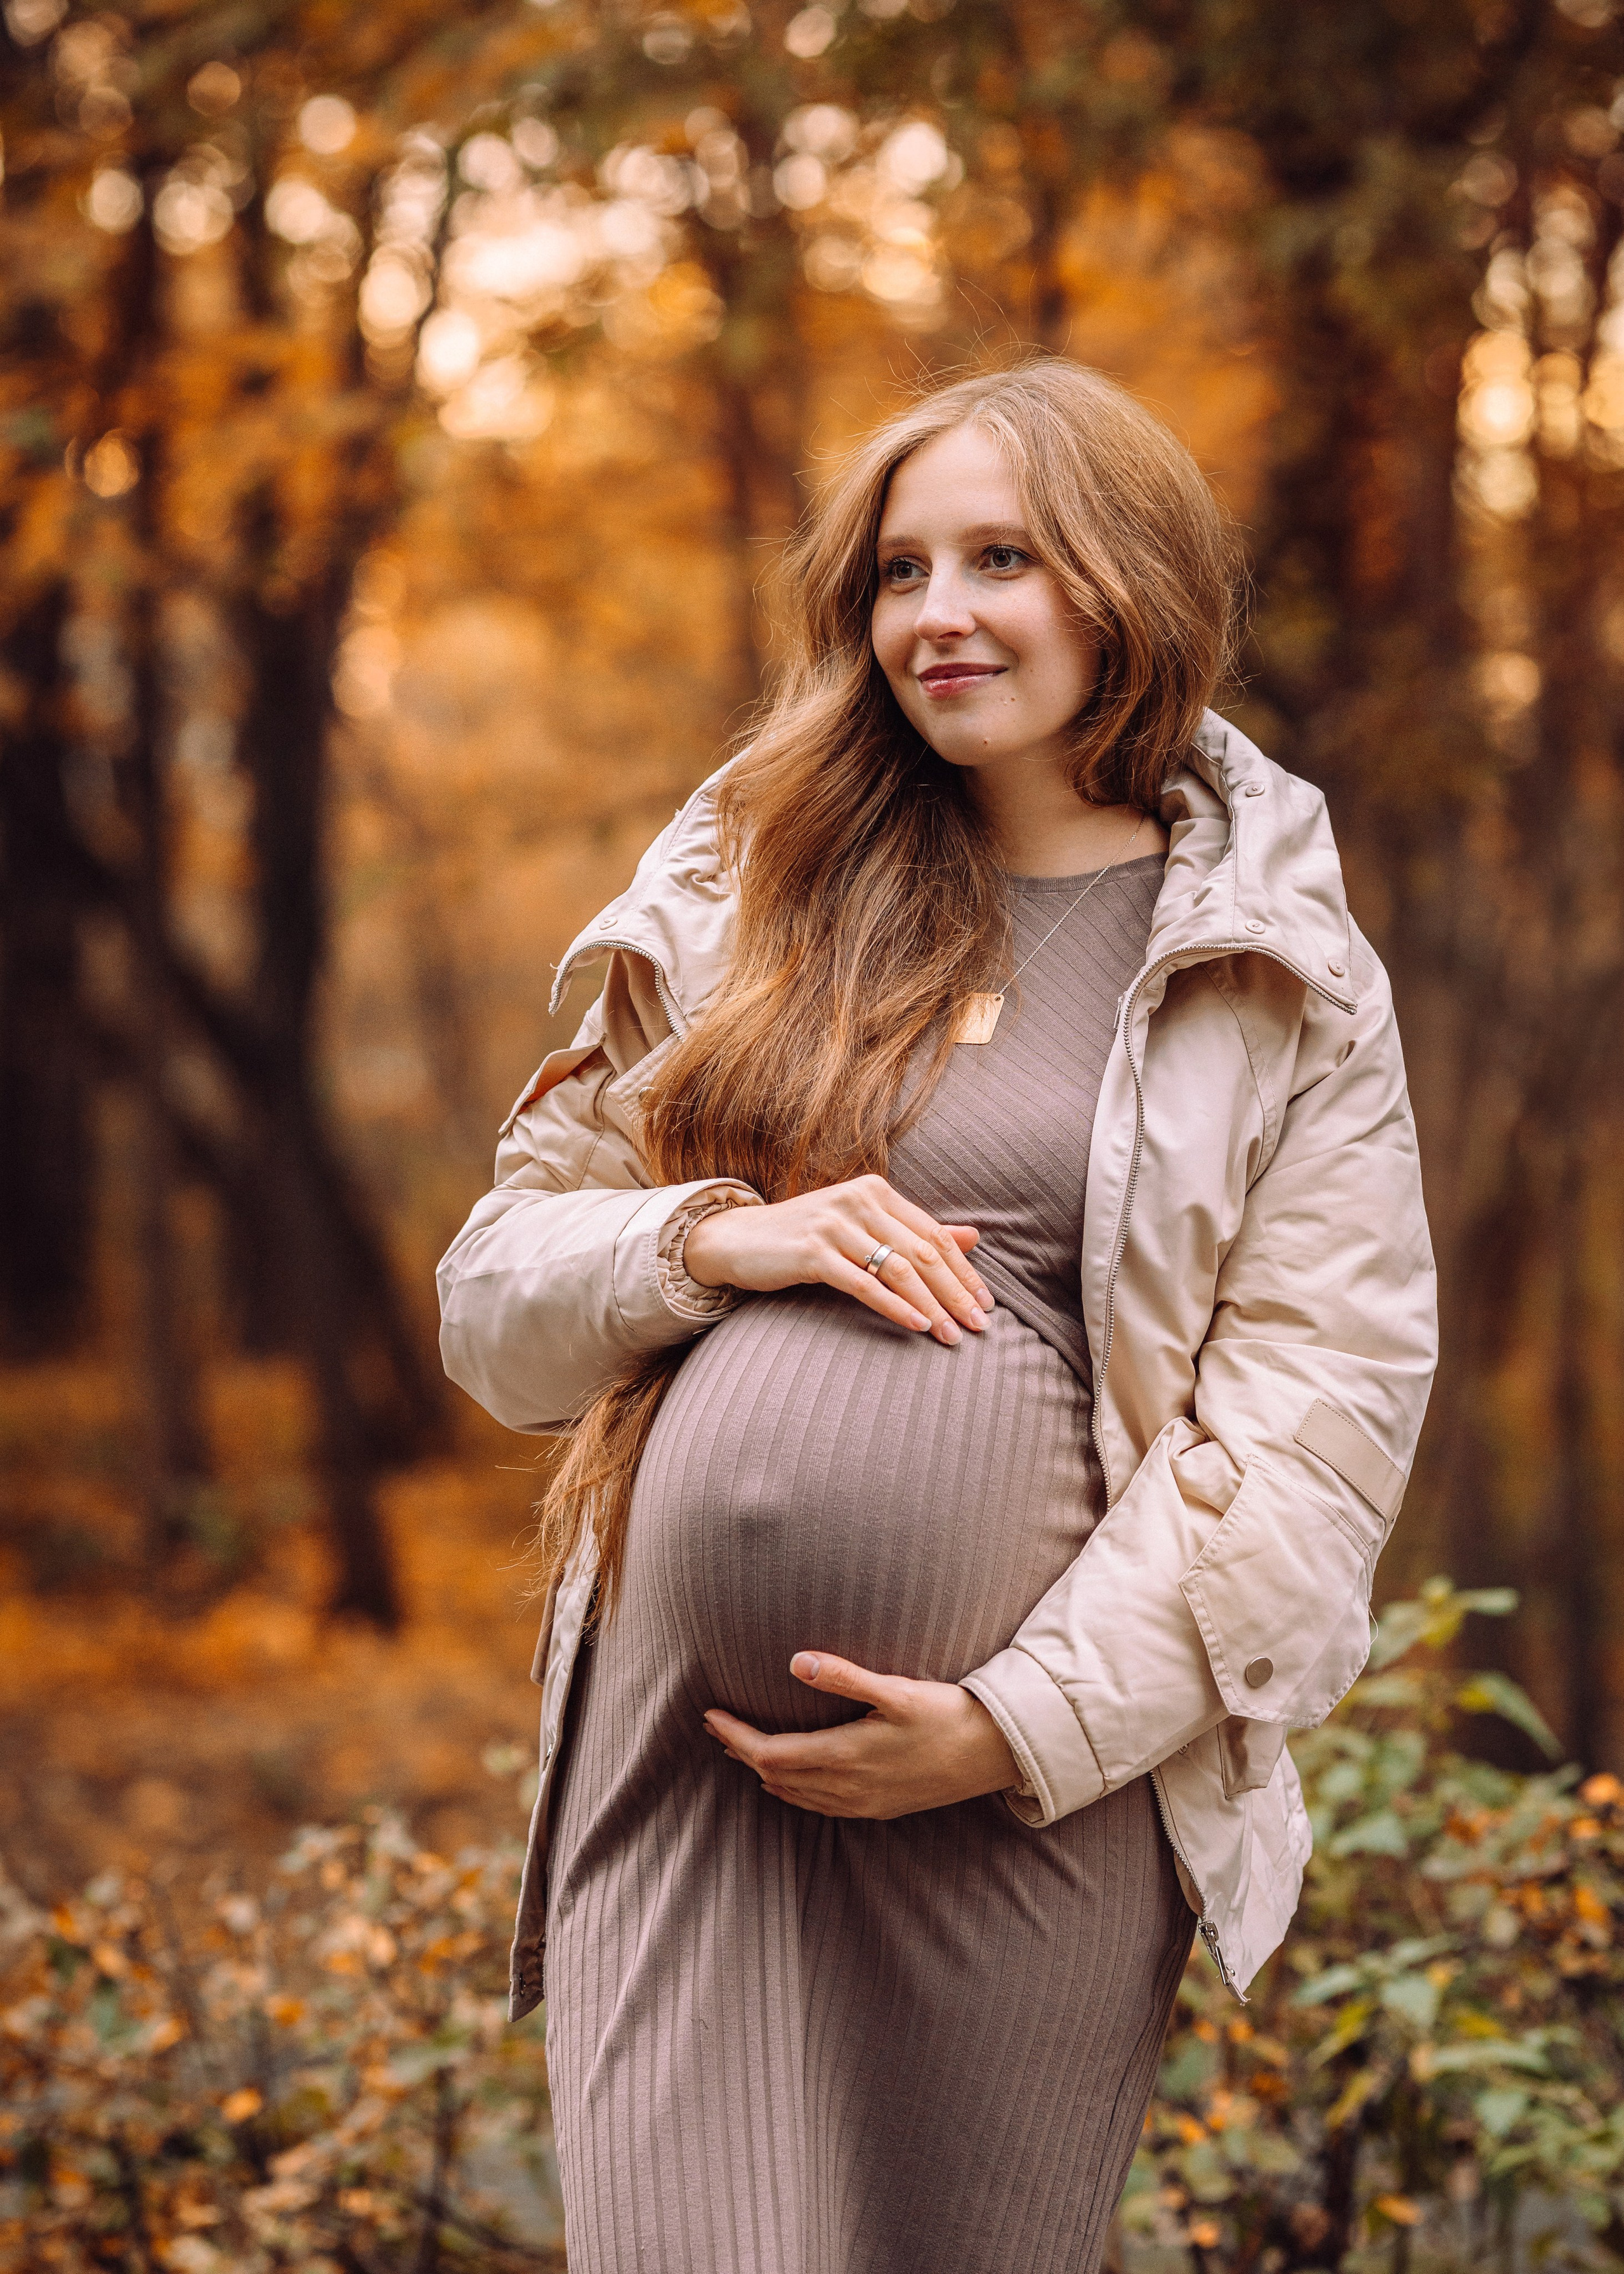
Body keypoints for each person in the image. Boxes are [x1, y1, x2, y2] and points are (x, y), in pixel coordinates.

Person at [437, 361, 1437, 2274]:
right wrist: (718, 1240)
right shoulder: (758, 882)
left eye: (1003, 559)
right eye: (900, 570)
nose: (938, 616)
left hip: (1032, 1799)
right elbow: (492, 1304)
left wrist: (1007, 1728)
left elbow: (1325, 1419)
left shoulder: (1273, 961)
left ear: (1126, 587)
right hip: (690, 1772)